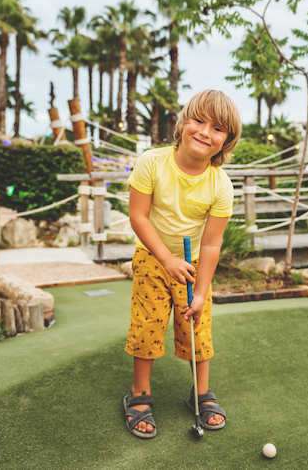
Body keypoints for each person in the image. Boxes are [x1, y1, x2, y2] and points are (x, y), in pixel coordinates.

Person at [124, 90, 241, 439]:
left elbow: (210, 242)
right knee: (147, 324)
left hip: (190, 265)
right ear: (182, 122)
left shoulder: (221, 184)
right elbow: (138, 217)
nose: (206, 132)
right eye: (199, 120)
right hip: (152, 255)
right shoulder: (152, 162)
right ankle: (139, 392)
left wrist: (201, 291)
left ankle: (201, 393)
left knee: (196, 324)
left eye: (218, 128)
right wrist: (166, 258)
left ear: (226, 141)